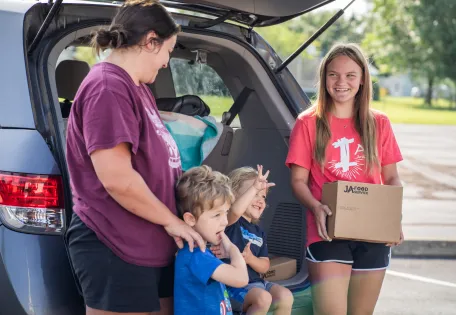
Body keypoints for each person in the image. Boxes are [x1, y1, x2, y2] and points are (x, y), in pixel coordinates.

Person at [65, 1, 205, 314]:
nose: (167, 62)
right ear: (150, 40)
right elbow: (118, 179)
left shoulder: (137, 86)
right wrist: (172, 222)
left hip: (149, 247)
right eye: (168, 50)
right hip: (115, 246)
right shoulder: (108, 87)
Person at [285, 43, 404, 315]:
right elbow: (298, 182)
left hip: (373, 232)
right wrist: (315, 207)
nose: (341, 82)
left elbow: (392, 177)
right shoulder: (308, 123)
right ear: (324, 77)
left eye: (350, 75)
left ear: (362, 80)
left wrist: (394, 216)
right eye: (333, 74)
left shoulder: (379, 123)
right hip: (326, 231)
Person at [174, 165, 249, 315]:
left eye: (226, 213)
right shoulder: (195, 256)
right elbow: (241, 278)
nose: (225, 222)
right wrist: (232, 249)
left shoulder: (201, 253)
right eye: (216, 215)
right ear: (191, 219)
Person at [222, 165, 294, 315]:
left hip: (257, 283)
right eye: (254, 193)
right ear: (233, 194)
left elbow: (265, 266)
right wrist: (255, 187)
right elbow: (235, 210)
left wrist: (250, 259)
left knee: (285, 296)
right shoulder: (230, 222)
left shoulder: (259, 232)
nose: (260, 200)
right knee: (263, 298)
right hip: (235, 286)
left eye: (263, 196)